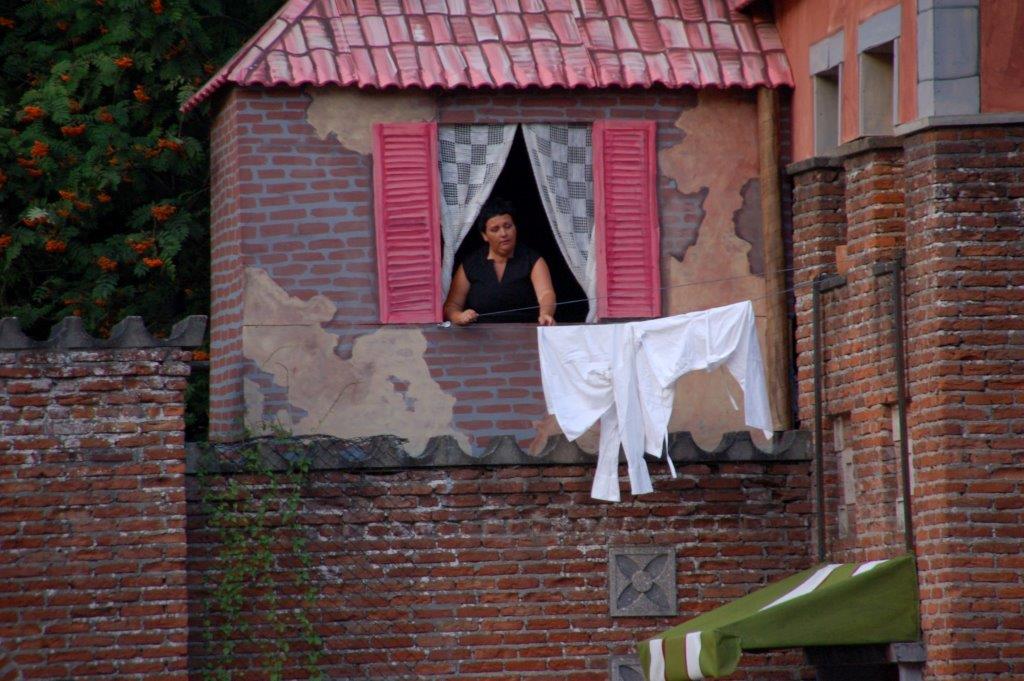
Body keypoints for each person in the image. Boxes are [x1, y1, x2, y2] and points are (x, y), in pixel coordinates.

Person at [443, 199, 556, 326]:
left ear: (515, 228)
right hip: (480, 337)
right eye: (495, 229)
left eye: (508, 226)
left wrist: (546, 313)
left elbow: (545, 293)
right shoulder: (471, 264)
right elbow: (452, 305)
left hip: (525, 334)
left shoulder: (532, 259)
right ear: (485, 235)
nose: (503, 233)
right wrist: (460, 316)